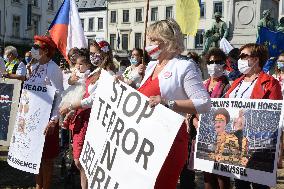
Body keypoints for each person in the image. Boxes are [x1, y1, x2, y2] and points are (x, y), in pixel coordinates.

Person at [140, 19, 211, 189]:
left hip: (170, 140)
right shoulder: (150, 66)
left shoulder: (184, 66)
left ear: (167, 41)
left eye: (152, 40)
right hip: (146, 139)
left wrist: (168, 103)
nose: (148, 44)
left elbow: (204, 103)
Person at [225, 43, 283, 189]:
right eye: (239, 56)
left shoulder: (270, 83)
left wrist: (279, 149)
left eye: (244, 56)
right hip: (236, 142)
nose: (240, 59)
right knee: (240, 184)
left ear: (256, 59)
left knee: (259, 185)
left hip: (258, 146)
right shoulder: (237, 82)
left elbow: (276, 118)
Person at [60, 41, 116, 189]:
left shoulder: (108, 74)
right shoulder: (94, 72)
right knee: (81, 161)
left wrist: (72, 106)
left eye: (94, 53)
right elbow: (83, 91)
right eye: (90, 54)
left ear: (104, 53)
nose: (92, 57)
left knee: (83, 161)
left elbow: (94, 99)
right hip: (82, 117)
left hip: (92, 119)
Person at [26, 35, 63, 189]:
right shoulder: (34, 67)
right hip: (33, 117)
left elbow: (59, 96)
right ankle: (38, 185)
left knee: (46, 158)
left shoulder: (54, 69)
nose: (32, 50)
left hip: (47, 119)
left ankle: (45, 186)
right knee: (36, 155)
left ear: (45, 50)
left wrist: (54, 119)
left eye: (36, 48)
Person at [202, 48, 231, 189]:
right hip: (204, 134)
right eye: (210, 62)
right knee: (207, 175)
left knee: (222, 176)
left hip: (222, 135)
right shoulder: (203, 84)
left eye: (217, 62)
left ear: (224, 64)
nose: (214, 64)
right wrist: (196, 121)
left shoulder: (229, 86)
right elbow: (196, 106)